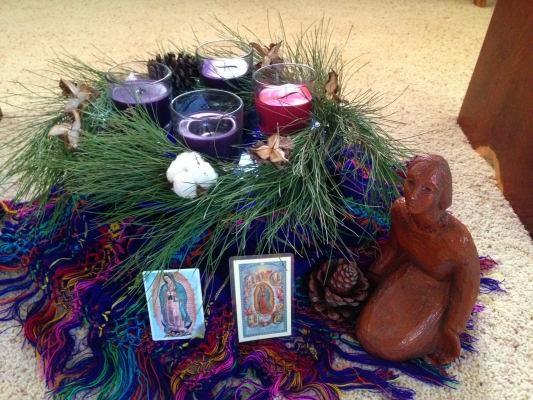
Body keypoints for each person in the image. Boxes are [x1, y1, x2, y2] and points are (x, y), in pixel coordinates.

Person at [355, 154, 480, 365]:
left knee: (393, 345)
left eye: (427, 189)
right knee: (367, 332)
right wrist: (371, 278)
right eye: (411, 182)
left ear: (443, 196)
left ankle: (431, 336)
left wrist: (452, 329)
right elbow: (394, 248)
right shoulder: (399, 211)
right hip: (409, 272)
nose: (413, 195)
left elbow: (468, 285)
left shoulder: (457, 240)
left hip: (439, 287)